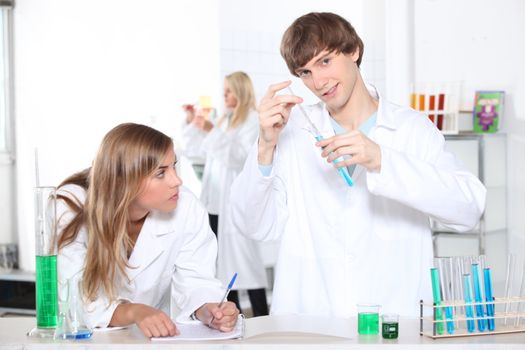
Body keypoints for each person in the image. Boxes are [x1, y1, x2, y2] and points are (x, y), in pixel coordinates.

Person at [229, 12, 487, 318]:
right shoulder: (292, 131)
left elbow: (469, 209)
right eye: (305, 72)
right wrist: (266, 146)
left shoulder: (411, 129)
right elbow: (252, 224)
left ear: (354, 50)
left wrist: (382, 160)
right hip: (312, 319)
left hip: (395, 319)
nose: (319, 82)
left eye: (325, 61)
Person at [56, 123, 239, 338]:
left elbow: (195, 278)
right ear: (123, 181)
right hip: (85, 339)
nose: (177, 181)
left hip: (151, 339)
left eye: (174, 166)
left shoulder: (186, 206)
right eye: (161, 173)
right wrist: (134, 312)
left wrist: (208, 309)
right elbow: (74, 293)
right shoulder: (70, 205)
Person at [186, 71, 269, 317]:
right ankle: (233, 320)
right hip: (215, 203)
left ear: (241, 91)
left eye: (229, 91)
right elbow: (200, 153)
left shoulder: (252, 120)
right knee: (223, 267)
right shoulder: (225, 120)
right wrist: (195, 125)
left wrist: (212, 131)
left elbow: (240, 158)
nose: (224, 96)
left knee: (246, 265)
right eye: (223, 92)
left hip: (235, 204)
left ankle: (262, 318)